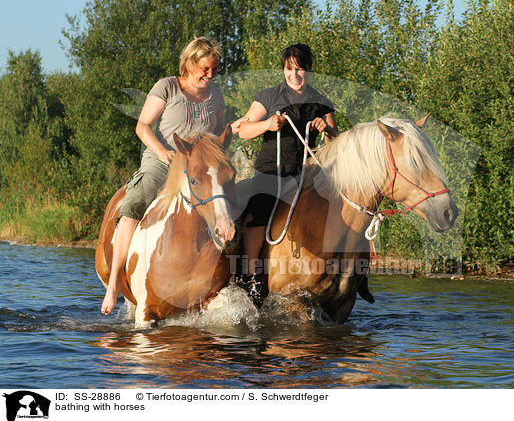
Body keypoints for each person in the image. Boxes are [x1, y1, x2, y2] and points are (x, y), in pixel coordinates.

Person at [101, 36, 227, 315]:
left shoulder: (216, 94)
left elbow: (217, 135)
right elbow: (143, 126)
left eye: (215, 69)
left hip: (198, 169)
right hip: (162, 162)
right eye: (206, 69)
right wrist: (162, 152)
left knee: (228, 203)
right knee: (133, 201)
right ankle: (115, 281)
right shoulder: (167, 87)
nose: (211, 74)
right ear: (190, 64)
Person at [236, 43, 338, 300]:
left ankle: (352, 275)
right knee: (259, 208)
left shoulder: (322, 102)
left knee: (341, 207)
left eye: (300, 69)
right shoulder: (268, 97)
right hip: (272, 172)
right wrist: (268, 124)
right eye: (289, 69)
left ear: (309, 71)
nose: (294, 75)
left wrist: (327, 130)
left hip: (307, 174)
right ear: (283, 70)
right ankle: (252, 276)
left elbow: (335, 144)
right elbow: (244, 130)